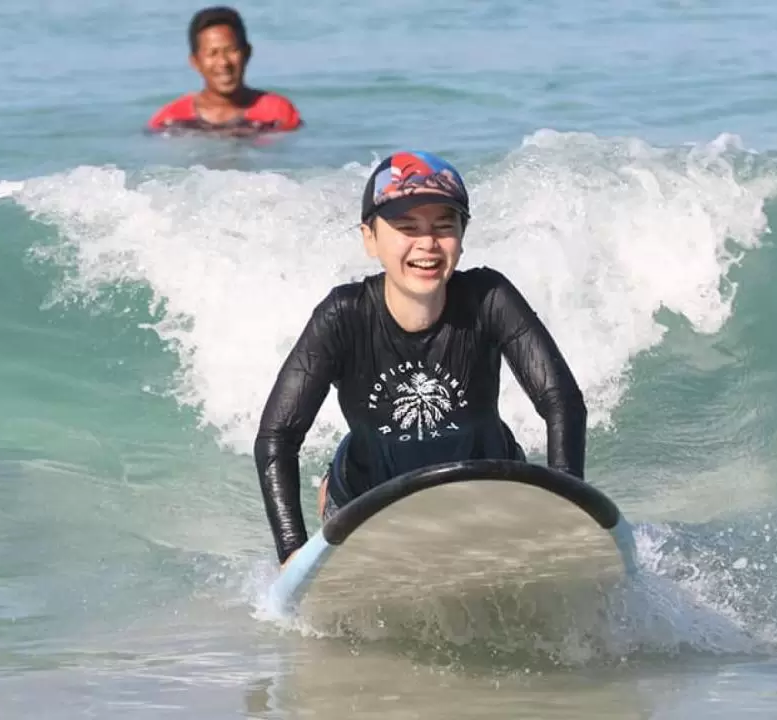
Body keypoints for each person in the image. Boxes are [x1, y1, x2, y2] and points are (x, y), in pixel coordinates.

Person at [253, 151, 587, 566]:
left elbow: (562, 402)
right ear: (369, 237)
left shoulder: (489, 299)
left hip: (486, 497)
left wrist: (566, 513)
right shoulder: (343, 316)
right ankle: (331, 489)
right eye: (406, 227)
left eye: (444, 226)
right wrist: (292, 549)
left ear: (462, 237)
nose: (427, 243)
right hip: (368, 508)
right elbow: (277, 437)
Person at [146, 6, 302, 137]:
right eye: (212, 53)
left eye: (231, 50)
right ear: (195, 62)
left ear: (247, 53)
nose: (223, 62)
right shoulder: (170, 120)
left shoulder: (278, 113)